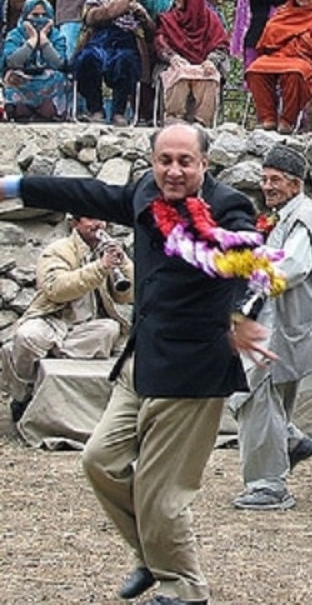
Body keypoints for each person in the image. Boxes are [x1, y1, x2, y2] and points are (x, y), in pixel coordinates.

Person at [0, 122, 278, 603]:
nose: (174, 171)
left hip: (192, 369)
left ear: (204, 163)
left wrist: (241, 314)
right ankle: (152, 557)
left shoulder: (229, 206)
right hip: (141, 361)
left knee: (161, 494)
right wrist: (14, 185)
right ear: (153, 162)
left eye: (185, 161)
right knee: (100, 461)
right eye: (164, 160)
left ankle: (184, 589)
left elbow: (249, 262)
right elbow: (86, 193)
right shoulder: (146, 193)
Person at [231, 145, 312, 511]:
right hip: (280, 326)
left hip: (280, 330)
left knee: (256, 398)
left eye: (275, 180)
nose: (267, 186)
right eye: (264, 179)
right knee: (265, 398)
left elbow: (291, 268)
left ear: (295, 184)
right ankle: (291, 442)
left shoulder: (304, 219)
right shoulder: (289, 216)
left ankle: (268, 485)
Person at [3, 215, 133, 423]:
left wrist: (124, 265)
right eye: (90, 218)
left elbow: (126, 296)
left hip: (87, 326)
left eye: (101, 219)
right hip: (52, 319)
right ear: (74, 223)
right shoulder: (58, 250)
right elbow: (56, 290)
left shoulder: (107, 251)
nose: (98, 224)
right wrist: (99, 267)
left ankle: (53, 351)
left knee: (110, 329)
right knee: (26, 336)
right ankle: (24, 396)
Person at [73, 0, 155, 125]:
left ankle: (119, 111)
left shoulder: (136, 6)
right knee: (87, 59)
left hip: (125, 44)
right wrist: (120, 6)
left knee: (126, 61)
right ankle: (95, 109)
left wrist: (143, 16)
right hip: (99, 43)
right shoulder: (97, 1)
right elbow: (91, 18)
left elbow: (150, 32)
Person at [245, 0, 312, 133]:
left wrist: (286, 46)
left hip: (304, 59)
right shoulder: (283, 12)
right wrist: (286, 44)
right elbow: (267, 39)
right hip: (276, 56)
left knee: (295, 73)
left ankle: (288, 120)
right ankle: (268, 117)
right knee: (255, 69)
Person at [154, 0, 229, 125]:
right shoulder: (169, 19)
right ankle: (174, 118)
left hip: (203, 64)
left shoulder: (211, 20)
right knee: (179, 74)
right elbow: (160, 42)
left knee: (209, 77)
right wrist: (172, 57)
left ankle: (201, 122)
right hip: (175, 64)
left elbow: (221, 45)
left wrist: (211, 61)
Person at [2, 0, 71, 122]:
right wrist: (32, 41)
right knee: (12, 76)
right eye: (35, 15)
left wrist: (44, 41)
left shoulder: (57, 36)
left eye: (44, 15)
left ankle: (49, 112)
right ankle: (19, 111)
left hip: (47, 81)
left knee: (58, 77)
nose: (40, 19)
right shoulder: (15, 35)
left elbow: (59, 64)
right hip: (23, 78)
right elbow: (12, 62)